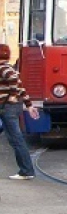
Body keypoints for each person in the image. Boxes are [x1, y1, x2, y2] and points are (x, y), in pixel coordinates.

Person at [0, 44, 40, 180]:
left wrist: (11, 95)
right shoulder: (10, 68)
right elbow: (21, 87)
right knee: (15, 138)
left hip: (7, 107)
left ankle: (26, 171)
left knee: (16, 139)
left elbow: (13, 81)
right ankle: (26, 170)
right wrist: (29, 105)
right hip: (12, 106)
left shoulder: (3, 69)